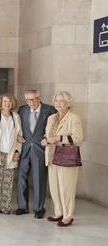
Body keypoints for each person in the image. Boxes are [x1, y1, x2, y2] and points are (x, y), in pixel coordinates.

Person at [42, 91, 83, 227]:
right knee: (54, 187)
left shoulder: (74, 118)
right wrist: (45, 139)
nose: (58, 103)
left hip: (67, 158)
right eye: (56, 101)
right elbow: (47, 133)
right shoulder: (51, 117)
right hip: (52, 155)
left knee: (67, 189)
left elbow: (78, 138)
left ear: (68, 103)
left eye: (61, 101)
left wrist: (59, 138)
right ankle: (58, 212)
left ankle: (68, 216)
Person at [15, 89, 56, 218]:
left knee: (39, 179)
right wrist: (17, 136)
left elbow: (55, 126)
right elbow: (16, 127)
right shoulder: (22, 110)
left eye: (33, 99)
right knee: (21, 179)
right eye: (28, 100)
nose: (31, 102)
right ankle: (22, 207)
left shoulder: (50, 110)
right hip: (25, 148)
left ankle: (39, 208)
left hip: (40, 150)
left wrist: (48, 137)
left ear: (39, 98)